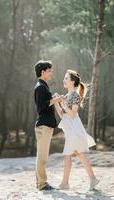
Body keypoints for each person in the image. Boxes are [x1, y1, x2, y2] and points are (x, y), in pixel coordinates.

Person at [54, 69, 99, 191]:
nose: (64, 80)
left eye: (66, 78)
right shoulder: (68, 96)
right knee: (79, 154)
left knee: (69, 154)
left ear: (72, 82)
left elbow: (73, 114)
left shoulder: (75, 95)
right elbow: (63, 115)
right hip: (70, 129)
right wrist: (57, 103)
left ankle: (65, 183)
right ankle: (92, 179)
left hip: (74, 129)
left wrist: (63, 103)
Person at [34, 60, 65, 191]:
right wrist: (58, 99)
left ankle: (40, 183)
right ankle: (42, 184)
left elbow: (47, 101)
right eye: (50, 70)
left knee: (42, 156)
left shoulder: (43, 86)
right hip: (44, 126)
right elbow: (42, 106)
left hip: (46, 125)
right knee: (42, 157)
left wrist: (54, 97)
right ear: (43, 72)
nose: (52, 72)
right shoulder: (40, 87)